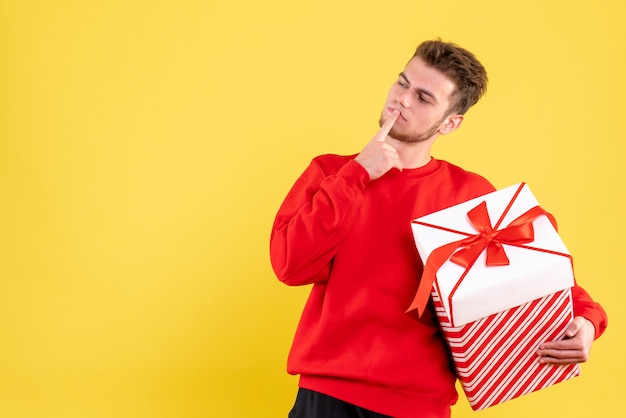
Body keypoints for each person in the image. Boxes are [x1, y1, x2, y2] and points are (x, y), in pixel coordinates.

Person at [269, 40, 607, 418]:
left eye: (423, 98)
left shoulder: (469, 195)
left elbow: (535, 271)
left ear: (450, 123)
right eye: (402, 83)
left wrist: (588, 321)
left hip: (419, 406)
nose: (403, 100)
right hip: (327, 397)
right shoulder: (332, 173)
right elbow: (290, 265)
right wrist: (359, 173)